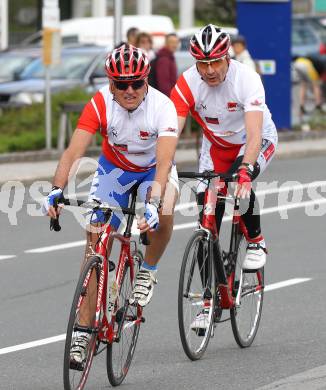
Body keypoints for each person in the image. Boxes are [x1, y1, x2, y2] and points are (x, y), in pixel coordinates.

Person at [43, 44, 179, 366]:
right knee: (94, 244)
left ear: (146, 80)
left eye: (136, 83)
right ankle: (83, 330)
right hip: (114, 169)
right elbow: (73, 153)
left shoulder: (162, 107)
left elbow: (164, 164)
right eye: (121, 84)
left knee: (166, 206)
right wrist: (56, 190)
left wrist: (153, 202)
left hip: (151, 170)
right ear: (110, 83)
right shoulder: (100, 103)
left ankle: (148, 269)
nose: (129, 91)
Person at [170, 25, 278, 329]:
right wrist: (163, 167)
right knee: (207, 223)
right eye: (202, 64)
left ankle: (256, 241)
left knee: (241, 184)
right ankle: (208, 302)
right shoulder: (188, 83)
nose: (209, 70)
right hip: (216, 146)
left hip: (254, 140)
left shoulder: (246, 79)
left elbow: (255, 135)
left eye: (215, 62)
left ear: (226, 57)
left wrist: (245, 171)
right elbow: (170, 133)